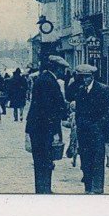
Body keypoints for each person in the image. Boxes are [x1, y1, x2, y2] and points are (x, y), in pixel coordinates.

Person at [73, 64, 109, 195]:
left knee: (98, 159)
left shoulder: (103, 89)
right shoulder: (81, 90)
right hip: (83, 131)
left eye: (86, 77)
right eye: (82, 77)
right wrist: (79, 124)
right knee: (85, 159)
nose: (84, 80)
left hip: (98, 131)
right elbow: (79, 111)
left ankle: (97, 188)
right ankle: (88, 187)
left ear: (92, 76)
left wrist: (100, 124)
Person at [25, 55, 68, 194]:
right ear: (56, 68)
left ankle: (43, 188)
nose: (64, 72)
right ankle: (44, 189)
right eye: (63, 69)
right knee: (44, 159)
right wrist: (56, 128)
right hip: (43, 128)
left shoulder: (44, 79)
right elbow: (49, 108)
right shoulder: (48, 82)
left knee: (42, 160)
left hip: (38, 127)